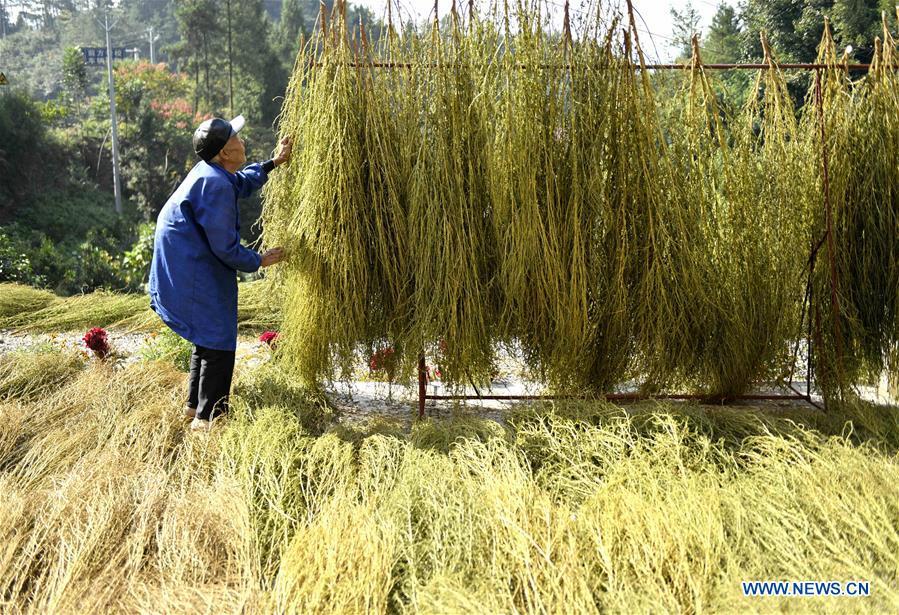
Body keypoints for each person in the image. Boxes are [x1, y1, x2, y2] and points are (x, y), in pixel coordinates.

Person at [148, 114, 292, 431]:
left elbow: (242, 182)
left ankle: (193, 409)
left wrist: (274, 162)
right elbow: (226, 248)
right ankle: (209, 421)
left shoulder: (211, 173)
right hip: (191, 269)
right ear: (225, 152)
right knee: (218, 337)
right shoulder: (215, 185)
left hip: (186, 263)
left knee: (208, 337)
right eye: (236, 139)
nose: (242, 143)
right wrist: (259, 260)